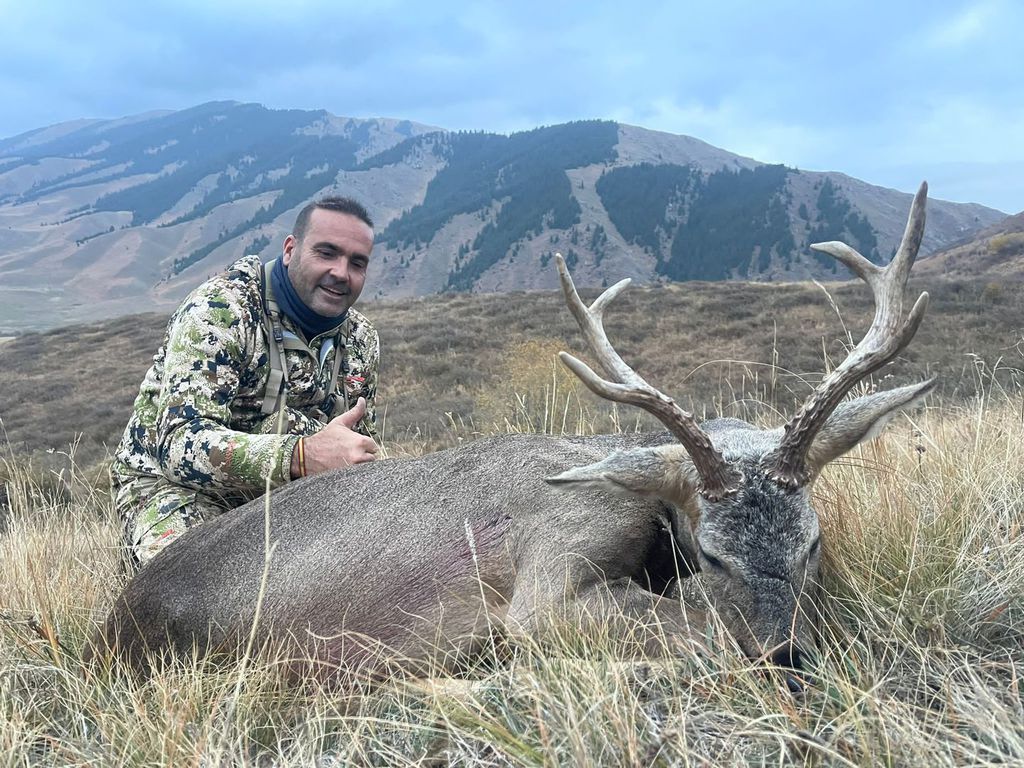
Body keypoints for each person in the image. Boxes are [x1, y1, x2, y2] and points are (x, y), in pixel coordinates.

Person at [111, 196, 381, 568]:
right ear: (290, 250)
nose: (341, 272)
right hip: (172, 485)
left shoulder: (362, 340)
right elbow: (178, 445)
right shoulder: (221, 310)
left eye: (357, 263)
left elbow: (359, 449)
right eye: (326, 253)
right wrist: (300, 456)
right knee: (198, 582)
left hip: (289, 488)